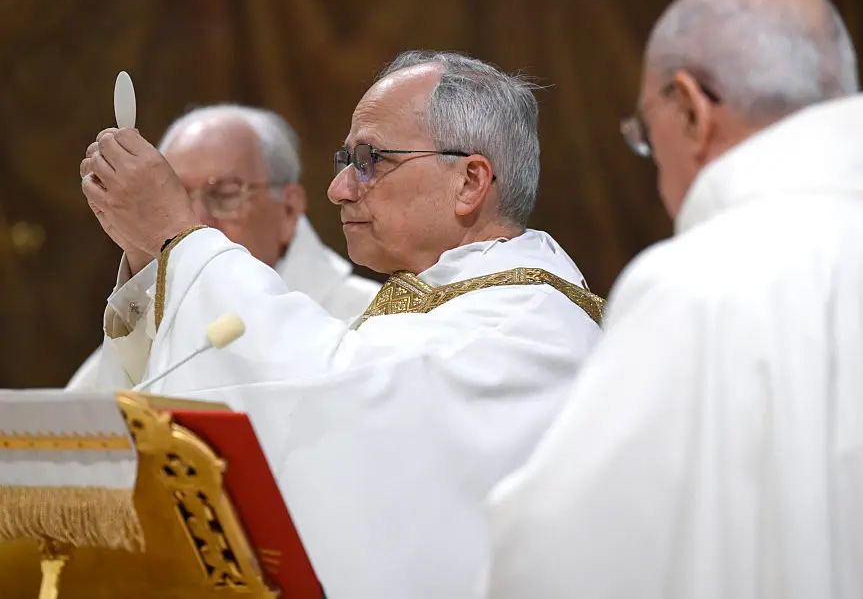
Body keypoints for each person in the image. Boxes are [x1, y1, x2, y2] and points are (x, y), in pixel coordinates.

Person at [484, 0, 863, 599]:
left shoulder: (710, 283)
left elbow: (565, 549)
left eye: (646, 141)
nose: (659, 179)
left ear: (689, 108)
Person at [77, 50, 604, 598]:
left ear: (470, 181)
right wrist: (159, 252)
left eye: (371, 159)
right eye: (346, 161)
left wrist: (175, 238)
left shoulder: (528, 325)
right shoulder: (466, 302)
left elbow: (328, 393)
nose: (341, 188)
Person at [68, 105, 380, 390]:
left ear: (288, 210)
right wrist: (141, 266)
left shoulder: (366, 324)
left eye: (225, 195)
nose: (197, 219)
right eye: (174, 196)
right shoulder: (155, 318)